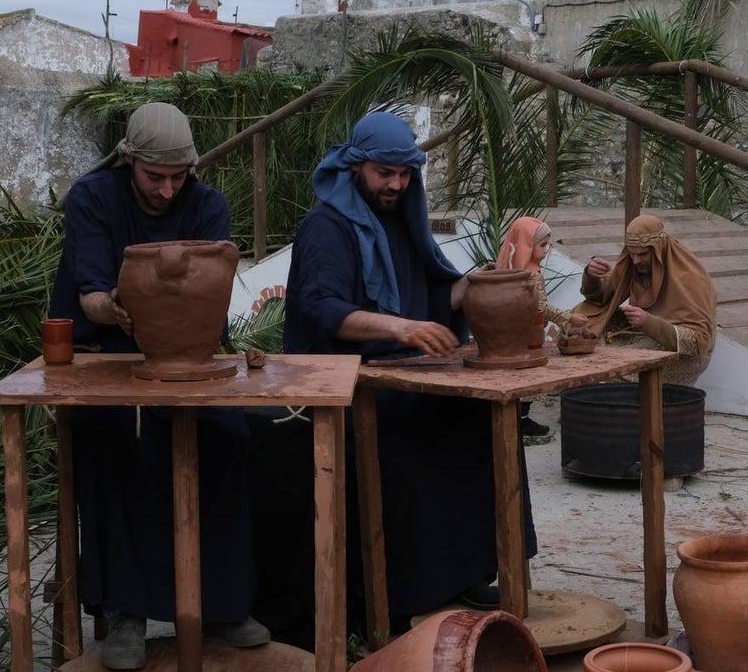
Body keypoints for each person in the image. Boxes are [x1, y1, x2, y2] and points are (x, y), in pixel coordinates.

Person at [284, 110, 537, 626]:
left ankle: (465, 572)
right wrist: (399, 329)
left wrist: (479, 284)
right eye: (384, 173)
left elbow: (434, 292)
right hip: (343, 385)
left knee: (483, 424)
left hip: (404, 376)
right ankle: (396, 597)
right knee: (402, 440)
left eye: (404, 175)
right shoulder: (327, 227)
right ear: (357, 166)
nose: (396, 184)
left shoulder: (400, 219)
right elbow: (323, 308)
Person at [48, 101, 268, 671]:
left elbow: (212, 291)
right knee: (120, 437)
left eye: (178, 177)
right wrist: (116, 306)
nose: (169, 191)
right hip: (111, 351)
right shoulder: (93, 198)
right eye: (155, 178)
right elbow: (90, 292)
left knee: (230, 435)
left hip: (192, 358)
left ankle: (222, 605)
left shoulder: (207, 205)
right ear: (129, 162)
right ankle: (126, 611)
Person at [572, 213, 718, 385]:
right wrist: (591, 275)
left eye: (642, 255)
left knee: (613, 368)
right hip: (642, 333)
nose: (635, 261)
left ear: (658, 250)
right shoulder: (636, 265)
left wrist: (649, 322)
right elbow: (601, 299)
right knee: (578, 320)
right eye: (632, 255)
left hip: (679, 350)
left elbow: (698, 342)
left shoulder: (691, 278)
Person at [496, 216, 590, 435]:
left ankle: (516, 417)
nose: (547, 250)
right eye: (542, 244)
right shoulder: (532, 276)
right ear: (527, 245)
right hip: (528, 334)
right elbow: (541, 307)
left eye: (548, 244)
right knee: (529, 374)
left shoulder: (504, 268)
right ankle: (522, 419)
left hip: (507, 335)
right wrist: (568, 318)